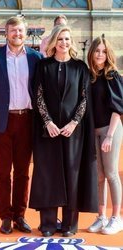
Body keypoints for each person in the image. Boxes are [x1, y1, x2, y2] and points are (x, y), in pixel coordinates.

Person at [29, 25, 98, 237]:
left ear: (71, 42)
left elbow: (85, 98)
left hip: (73, 133)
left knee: (72, 176)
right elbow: (38, 95)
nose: (64, 43)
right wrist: (48, 122)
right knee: (48, 175)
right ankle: (48, 224)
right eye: (60, 39)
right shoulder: (43, 66)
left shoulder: (80, 68)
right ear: (53, 42)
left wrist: (73, 123)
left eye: (67, 39)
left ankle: (69, 225)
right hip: (47, 132)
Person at [0, 16, 44, 235]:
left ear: (25, 33)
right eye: (13, 31)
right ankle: (5, 216)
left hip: (27, 120)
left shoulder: (36, 58)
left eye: (20, 31)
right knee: (2, 172)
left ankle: (19, 214)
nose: (17, 34)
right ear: (6, 33)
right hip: (3, 120)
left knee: (22, 172)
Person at [87, 36, 123, 235]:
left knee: (111, 173)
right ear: (91, 52)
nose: (100, 54)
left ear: (108, 54)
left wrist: (109, 136)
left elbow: (118, 108)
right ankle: (101, 217)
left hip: (111, 129)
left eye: (103, 51)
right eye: (96, 50)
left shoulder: (113, 76)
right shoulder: (90, 76)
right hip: (94, 131)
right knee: (98, 176)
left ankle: (117, 218)